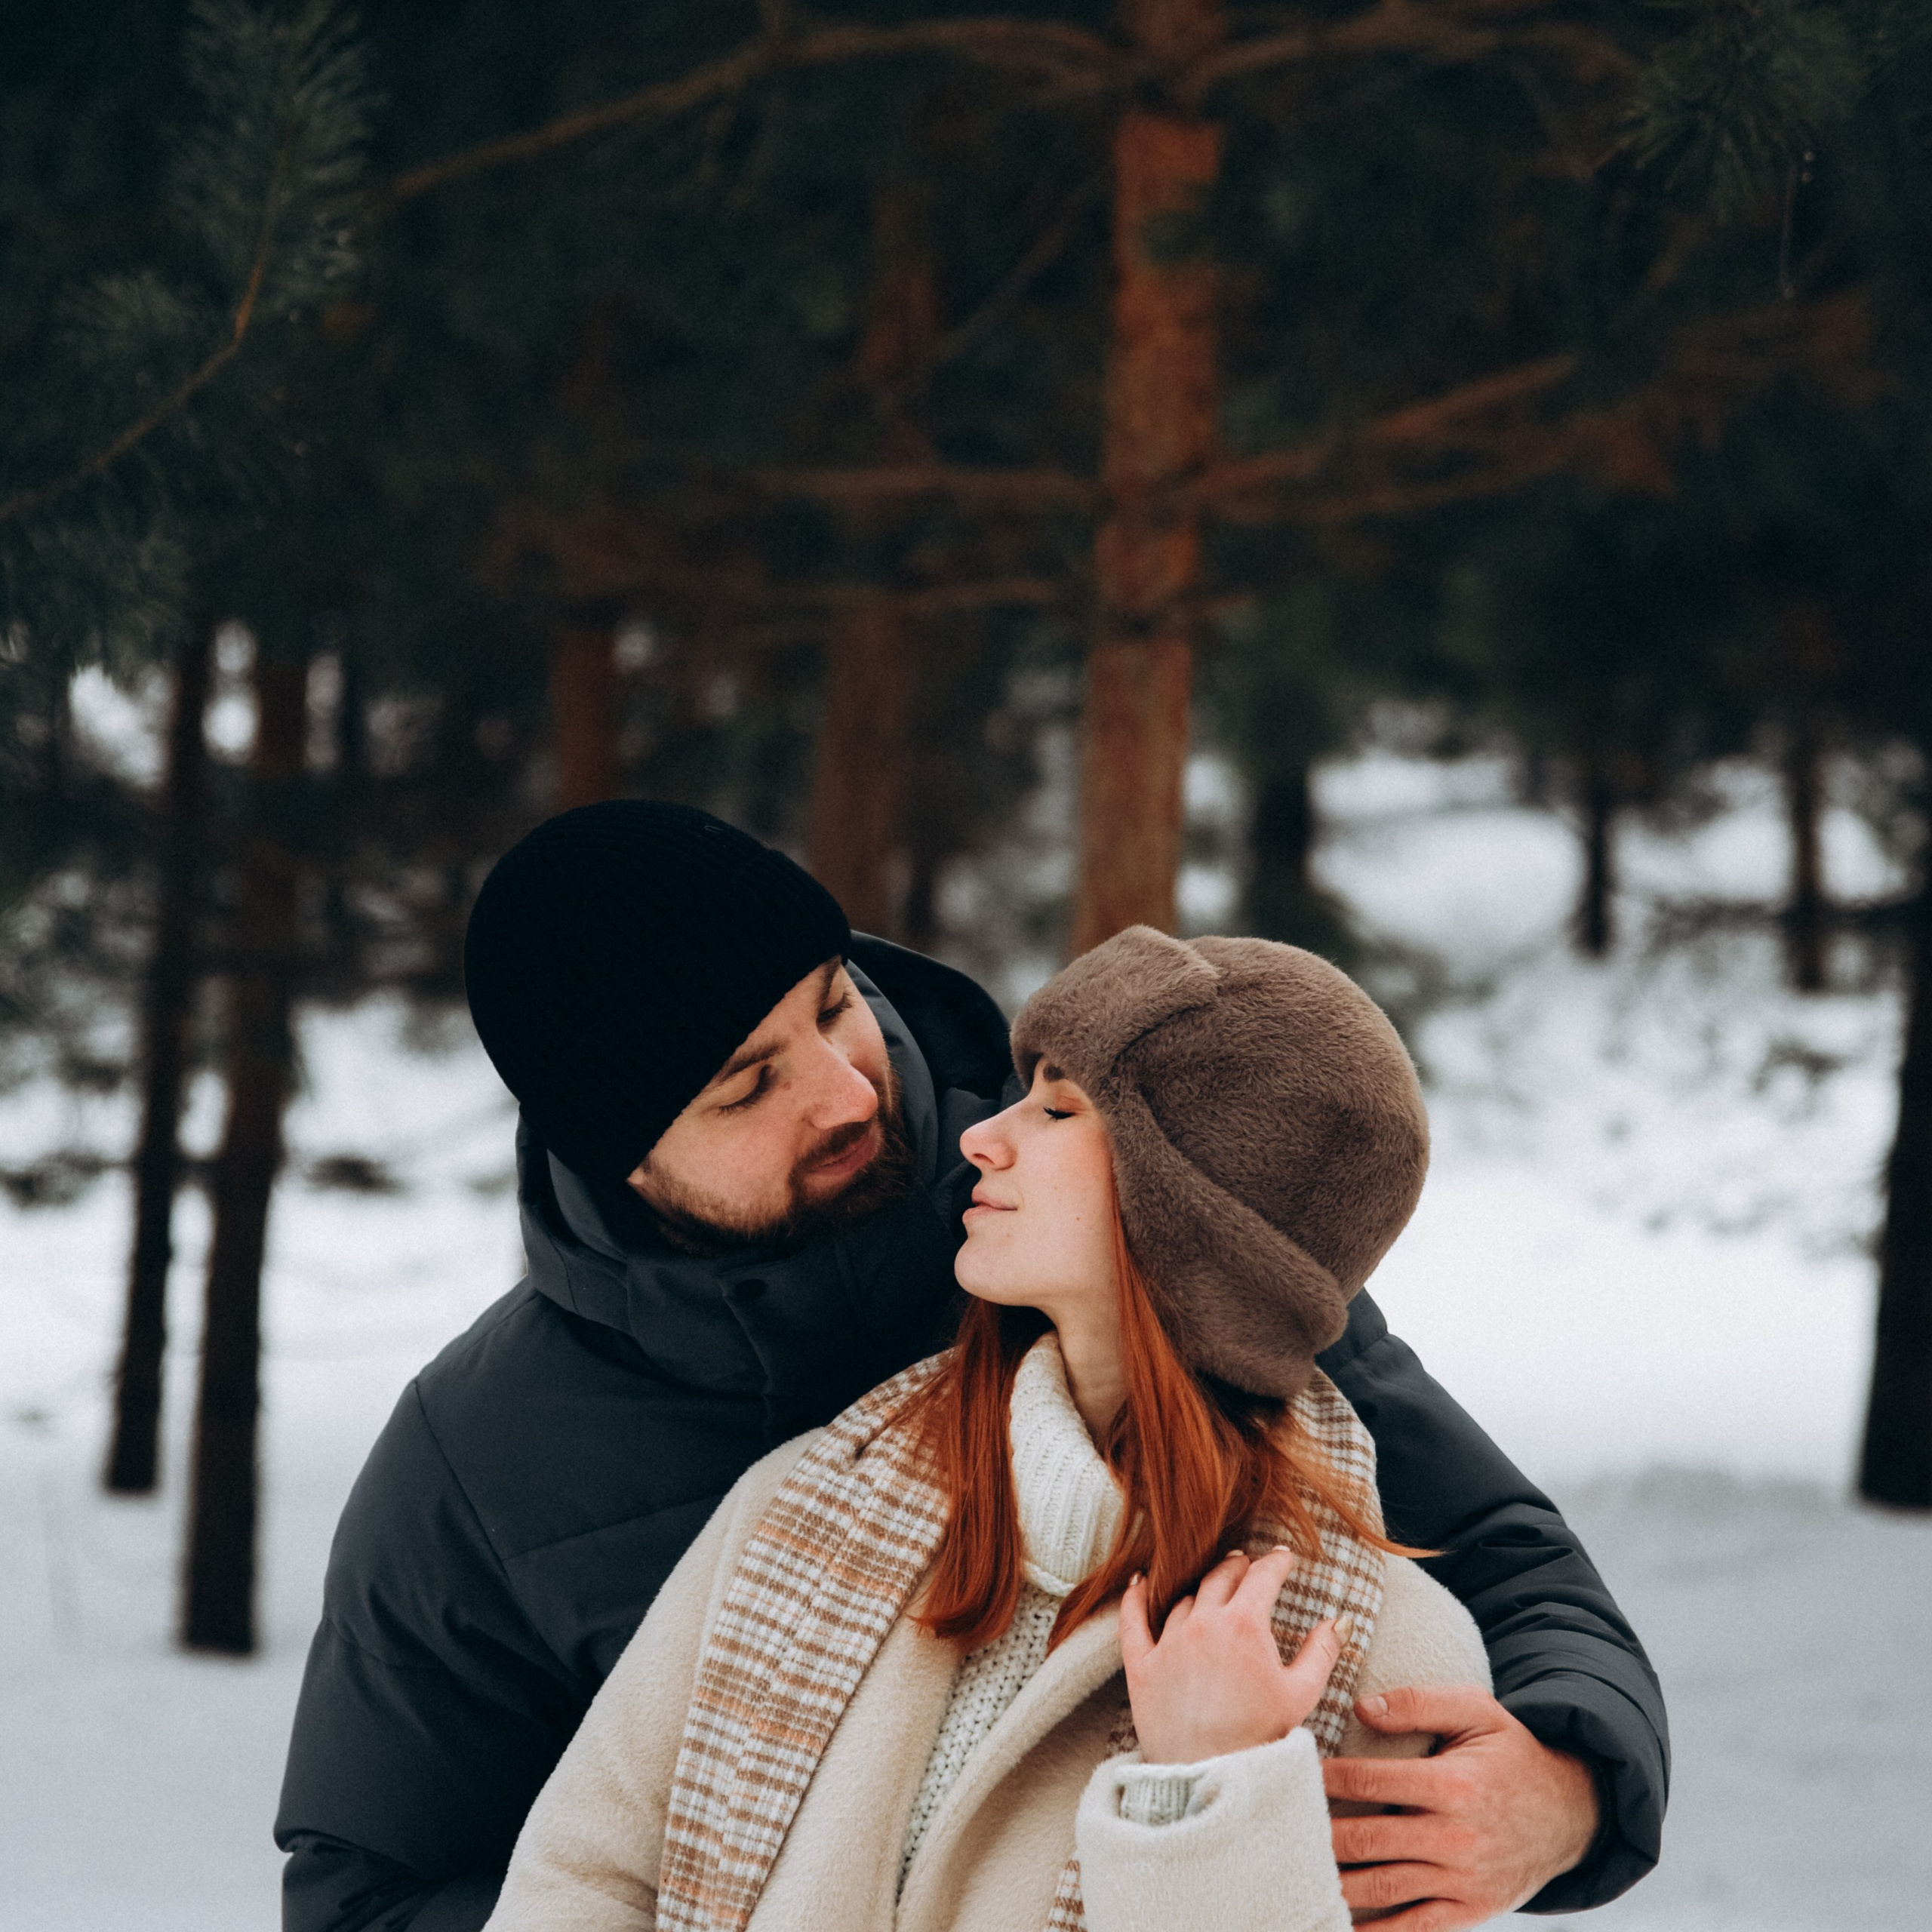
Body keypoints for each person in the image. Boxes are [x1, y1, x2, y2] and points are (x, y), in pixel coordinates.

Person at [276, 802, 1666, 1932]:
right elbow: (366, 1890)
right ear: (624, 1159)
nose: (847, 1090)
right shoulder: (488, 1458)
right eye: (747, 1087)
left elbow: (1493, 1549)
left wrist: (1568, 1782)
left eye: (833, 1006)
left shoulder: (1139, 1219)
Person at [482, 922, 1491, 1931]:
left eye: (1058, 1109)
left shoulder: (1378, 1663)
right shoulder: (811, 1501)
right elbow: (582, 1881)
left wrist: (1205, 1796)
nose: (981, 1137)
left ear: (1191, 1217)